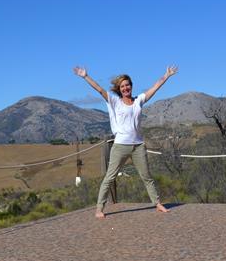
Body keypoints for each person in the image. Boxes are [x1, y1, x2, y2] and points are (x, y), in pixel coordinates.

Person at [73, 65, 178, 218]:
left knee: (147, 177)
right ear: (119, 89)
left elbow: (154, 88)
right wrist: (85, 76)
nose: (125, 88)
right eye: (122, 86)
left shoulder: (138, 101)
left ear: (131, 86)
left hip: (138, 146)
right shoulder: (115, 101)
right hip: (121, 146)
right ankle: (99, 209)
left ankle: (158, 204)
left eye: (127, 85)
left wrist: (166, 75)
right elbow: (100, 90)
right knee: (110, 177)